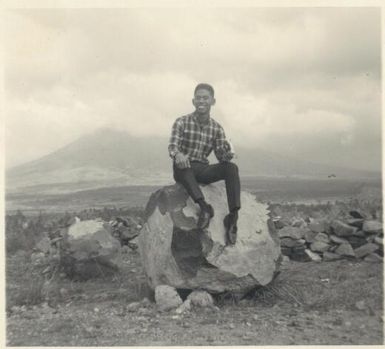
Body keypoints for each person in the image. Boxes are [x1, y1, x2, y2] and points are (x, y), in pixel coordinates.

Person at [168, 83, 241, 245]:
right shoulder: (181, 122)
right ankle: (204, 207)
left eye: (205, 98)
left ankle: (233, 217)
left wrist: (227, 154)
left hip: (202, 169)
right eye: (198, 98)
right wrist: (178, 154)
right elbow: (173, 146)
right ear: (193, 101)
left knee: (231, 168)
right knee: (183, 165)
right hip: (183, 167)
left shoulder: (217, 128)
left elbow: (221, 156)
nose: (202, 101)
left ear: (213, 101)